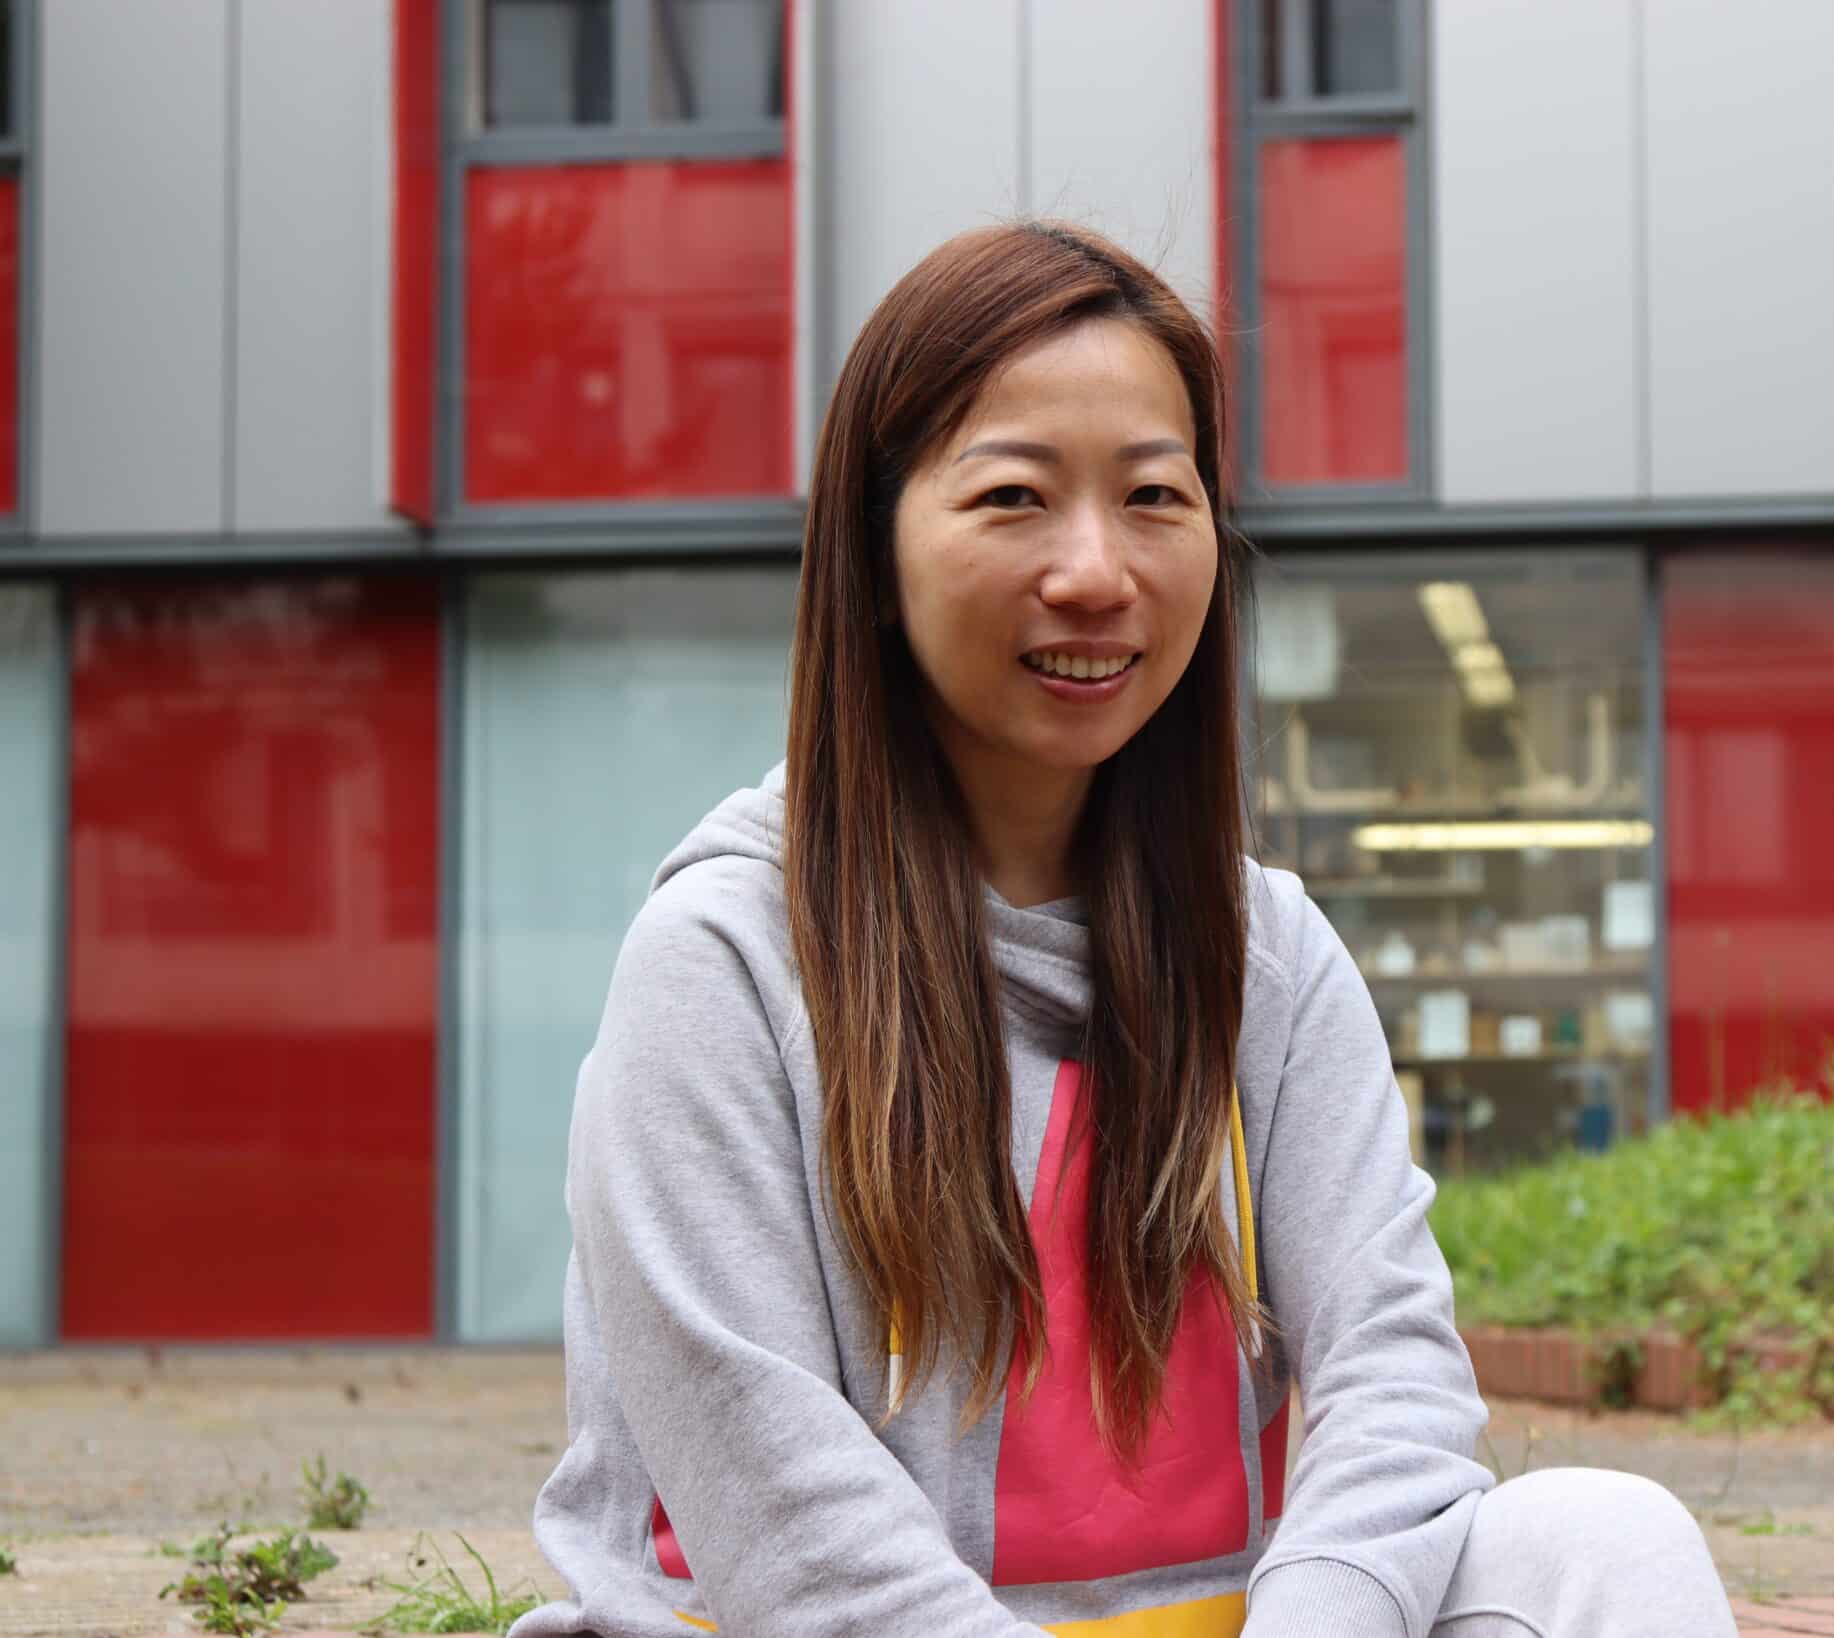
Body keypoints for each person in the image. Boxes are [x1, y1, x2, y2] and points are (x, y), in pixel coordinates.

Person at [512, 222, 1738, 1637]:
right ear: (873, 546)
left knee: (1601, 1540)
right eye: (1016, 498)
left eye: (1155, 494)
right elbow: (776, 1505)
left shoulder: (1263, 952)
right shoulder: (724, 962)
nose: (1097, 570)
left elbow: (1395, 1375)